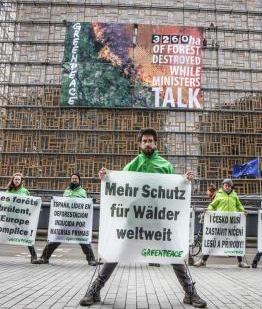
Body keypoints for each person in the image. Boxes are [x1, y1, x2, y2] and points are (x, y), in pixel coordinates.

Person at [79, 128, 207, 308]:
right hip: (134, 219)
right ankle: (94, 290)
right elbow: (118, 185)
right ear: (139, 144)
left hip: (159, 219)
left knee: (174, 252)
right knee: (115, 251)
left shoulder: (165, 166)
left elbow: (175, 191)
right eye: (145, 141)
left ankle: (190, 293)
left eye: (151, 141)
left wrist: (185, 180)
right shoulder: (132, 165)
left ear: (156, 144)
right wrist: (106, 177)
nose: (148, 144)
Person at [34, 173, 97, 266]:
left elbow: (86, 204)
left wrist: (91, 202)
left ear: (79, 180)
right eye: (72, 178)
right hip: (65, 220)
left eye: (76, 178)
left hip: (78, 220)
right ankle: (44, 258)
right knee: (55, 238)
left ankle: (91, 260)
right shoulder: (66, 191)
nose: (74, 180)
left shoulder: (83, 192)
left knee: (83, 239)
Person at [0, 172, 38, 263]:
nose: (17, 181)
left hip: (21, 218)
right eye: (15, 179)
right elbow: (4, 202)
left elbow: (28, 204)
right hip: (9, 217)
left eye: (19, 179)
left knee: (27, 236)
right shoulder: (8, 191)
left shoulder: (25, 191)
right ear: (13, 180)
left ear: (21, 181)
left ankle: (34, 256)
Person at [194, 179, 250, 268]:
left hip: (232, 222)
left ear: (231, 187)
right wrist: (208, 210)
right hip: (220, 222)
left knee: (236, 240)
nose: (226, 187)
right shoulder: (219, 195)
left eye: (228, 185)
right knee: (213, 240)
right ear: (223, 186)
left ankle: (240, 262)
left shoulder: (234, 195)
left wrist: (243, 210)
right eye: (225, 185)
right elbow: (213, 205)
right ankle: (203, 260)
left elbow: (238, 205)